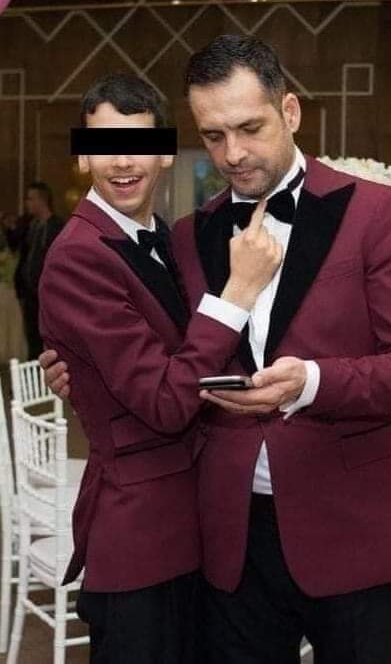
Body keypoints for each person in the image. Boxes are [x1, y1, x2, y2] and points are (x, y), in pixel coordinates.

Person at [42, 36, 391, 663]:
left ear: (290, 112)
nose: (233, 153)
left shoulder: (374, 213)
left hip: (350, 528)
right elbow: (166, 357)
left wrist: (312, 382)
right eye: (214, 135)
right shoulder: (188, 236)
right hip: (226, 539)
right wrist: (80, 369)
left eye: (250, 128)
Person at [38, 72, 281, 664]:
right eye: (104, 145)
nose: (122, 161)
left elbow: (180, 355)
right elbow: (167, 403)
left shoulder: (163, 238)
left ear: (166, 153)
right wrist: (238, 293)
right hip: (140, 543)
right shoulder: (78, 256)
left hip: (194, 527)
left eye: (138, 144)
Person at [14, 182, 63, 359]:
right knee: (32, 337)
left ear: (42, 200)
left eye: (30, 199)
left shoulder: (56, 227)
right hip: (30, 293)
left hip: (48, 295)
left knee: (48, 339)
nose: (27, 203)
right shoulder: (32, 226)